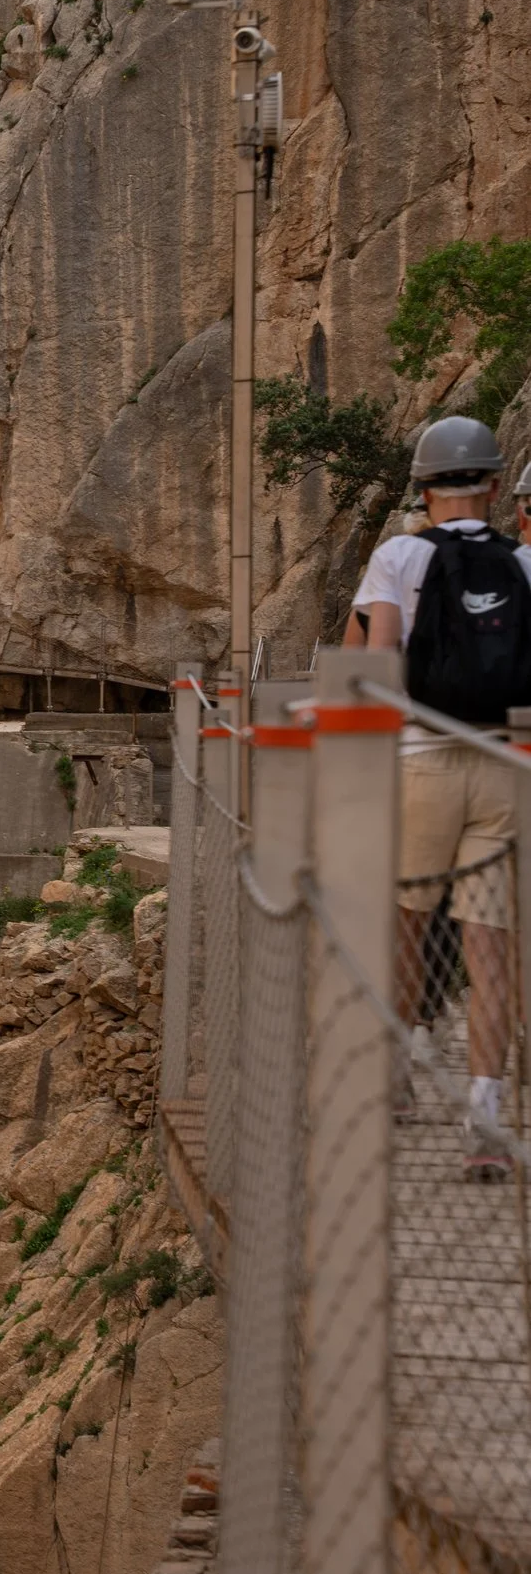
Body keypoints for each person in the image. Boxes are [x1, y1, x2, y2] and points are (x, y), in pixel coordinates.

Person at [349, 415, 531, 1181]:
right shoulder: (526, 561)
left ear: (423, 489)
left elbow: (378, 665)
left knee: (404, 924)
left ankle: (395, 1072)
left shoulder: (399, 555)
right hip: (504, 764)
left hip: (422, 763)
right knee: (490, 946)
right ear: (494, 484)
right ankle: (485, 1117)